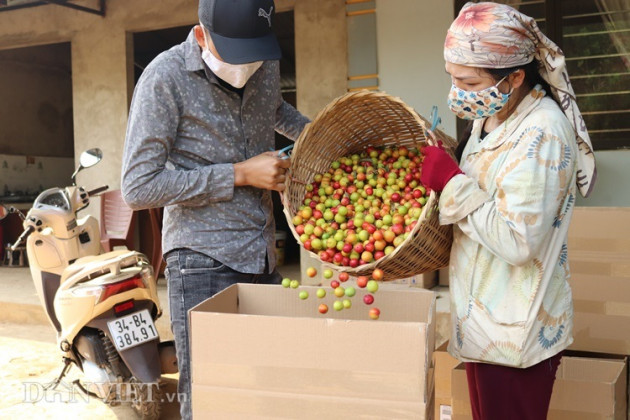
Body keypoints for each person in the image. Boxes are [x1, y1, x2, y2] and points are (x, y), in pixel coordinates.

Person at [120, 0, 309, 418]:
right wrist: (239, 174)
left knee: (271, 388)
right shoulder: (164, 79)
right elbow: (137, 187)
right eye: (234, 54)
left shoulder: (264, 61)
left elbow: (276, 110)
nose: (248, 66)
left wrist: (320, 137)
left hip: (261, 251)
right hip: (203, 260)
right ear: (201, 35)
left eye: (255, 55)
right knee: (211, 397)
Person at [420, 3, 597, 419]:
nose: (457, 90)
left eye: (468, 81)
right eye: (452, 77)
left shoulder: (543, 134)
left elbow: (519, 241)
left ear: (515, 77)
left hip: (517, 329)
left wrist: (450, 182)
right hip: (484, 318)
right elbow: (488, 189)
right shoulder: (492, 117)